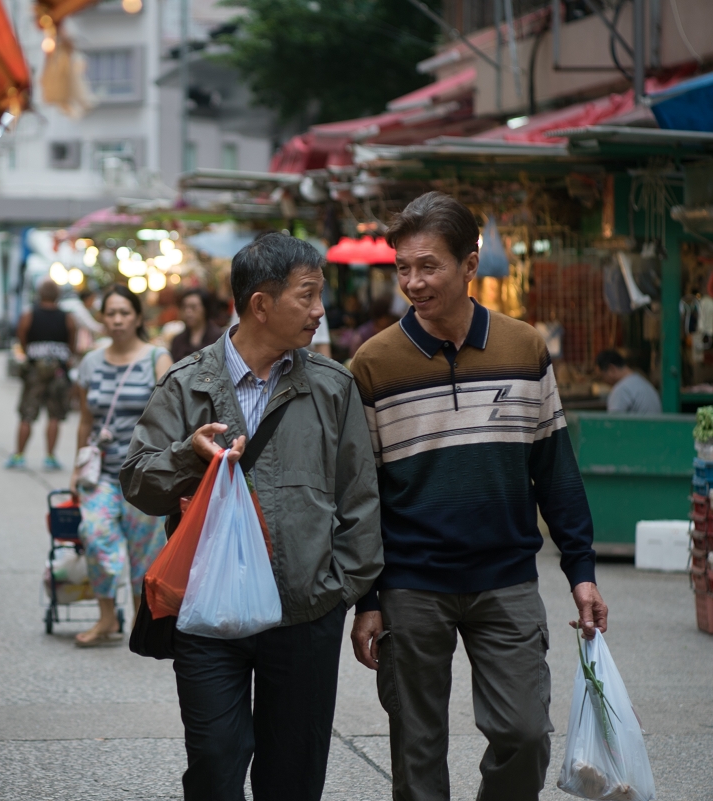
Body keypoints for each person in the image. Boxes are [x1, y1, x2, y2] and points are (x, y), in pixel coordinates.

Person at [348, 192, 607, 801]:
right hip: (411, 584)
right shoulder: (372, 364)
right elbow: (360, 494)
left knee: (524, 733)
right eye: (403, 267)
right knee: (416, 752)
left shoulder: (524, 348)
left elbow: (556, 470)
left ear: (471, 263)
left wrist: (583, 571)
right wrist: (366, 598)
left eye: (429, 266)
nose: (414, 281)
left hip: (506, 578)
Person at [121, 233, 383, 801]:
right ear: (260, 304)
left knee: (294, 774)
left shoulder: (332, 387)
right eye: (307, 296)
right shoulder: (187, 383)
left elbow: (360, 498)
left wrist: (342, 590)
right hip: (208, 612)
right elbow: (138, 483)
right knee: (215, 762)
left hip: (304, 614)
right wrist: (186, 455)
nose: (320, 311)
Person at [70, 286, 172, 647]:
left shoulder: (156, 359)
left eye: (124, 313)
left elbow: (170, 418)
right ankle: (107, 617)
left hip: (144, 475)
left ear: (138, 317)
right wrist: (76, 467)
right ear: (102, 318)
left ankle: (139, 621)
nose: (116, 320)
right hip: (101, 476)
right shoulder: (91, 362)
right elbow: (86, 420)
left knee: (144, 552)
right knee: (96, 537)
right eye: (110, 313)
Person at [7, 279, 76, 471]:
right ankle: (50, 456)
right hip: (59, 369)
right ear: (58, 295)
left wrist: (29, 351)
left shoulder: (30, 314)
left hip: (35, 369)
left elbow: (21, 334)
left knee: (27, 414)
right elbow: (73, 341)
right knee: (54, 415)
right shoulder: (66, 317)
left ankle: (19, 455)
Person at [596, 348, 661, 414]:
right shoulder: (642, 381)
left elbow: (613, 423)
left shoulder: (621, 389)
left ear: (611, 369)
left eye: (602, 377)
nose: (604, 381)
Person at [169, 288, 223, 363]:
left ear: (205, 309)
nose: (188, 312)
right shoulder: (178, 340)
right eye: (184, 307)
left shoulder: (218, 337)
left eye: (193, 307)